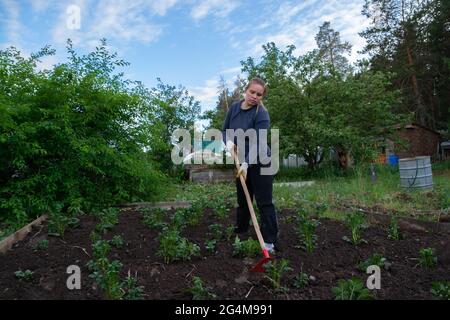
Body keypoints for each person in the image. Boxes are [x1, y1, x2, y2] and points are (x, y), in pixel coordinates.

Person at [222, 77, 279, 254]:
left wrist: (247, 163)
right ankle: (242, 230)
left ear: (262, 97)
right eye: (252, 92)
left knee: (264, 202)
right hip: (240, 161)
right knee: (243, 200)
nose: (254, 96)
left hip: (261, 161)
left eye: (259, 94)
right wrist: (229, 144)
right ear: (245, 90)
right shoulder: (234, 109)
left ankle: (269, 241)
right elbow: (224, 130)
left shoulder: (261, 114)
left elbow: (259, 142)